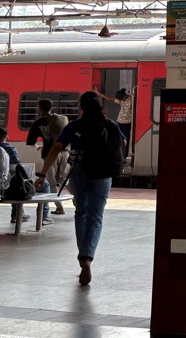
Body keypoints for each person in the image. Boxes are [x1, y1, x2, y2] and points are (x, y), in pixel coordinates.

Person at [36, 91, 125, 285]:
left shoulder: (75, 125)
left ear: (81, 107)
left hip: (79, 173)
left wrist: (43, 174)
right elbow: (122, 143)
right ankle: (87, 256)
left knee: (81, 213)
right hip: (103, 176)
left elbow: (57, 148)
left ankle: (82, 257)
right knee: (96, 217)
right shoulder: (111, 125)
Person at [26, 99, 68, 215]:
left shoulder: (38, 123)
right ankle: (78, 202)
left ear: (39, 108)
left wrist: (38, 147)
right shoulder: (62, 119)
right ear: (51, 108)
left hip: (50, 154)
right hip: (65, 152)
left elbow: (31, 142)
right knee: (64, 179)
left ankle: (59, 208)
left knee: (51, 182)